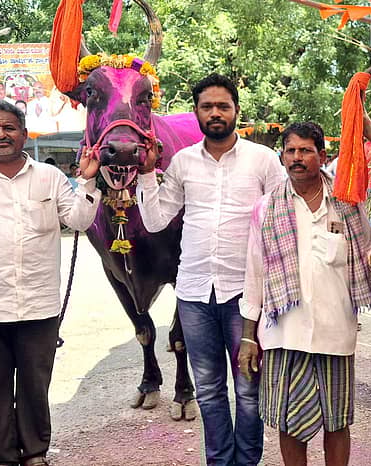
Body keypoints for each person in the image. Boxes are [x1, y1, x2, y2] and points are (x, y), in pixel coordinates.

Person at [0, 100, 100, 466]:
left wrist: (88, 180)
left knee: (34, 386)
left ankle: (35, 453)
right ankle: (4, 457)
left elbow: (78, 221)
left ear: (24, 134)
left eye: (9, 127)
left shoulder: (51, 177)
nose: (1, 134)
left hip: (39, 305)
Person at [136, 72, 284, 466]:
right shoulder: (182, 162)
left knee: (249, 389)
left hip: (247, 294)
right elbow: (154, 221)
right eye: (207, 107)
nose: (215, 113)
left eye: (223, 106)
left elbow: (286, 220)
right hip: (195, 292)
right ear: (197, 113)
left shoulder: (263, 160)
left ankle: (247, 461)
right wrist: (148, 173)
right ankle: (220, 462)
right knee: (208, 390)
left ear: (237, 110)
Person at [237, 122, 371, 466]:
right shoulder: (266, 207)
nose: (296, 158)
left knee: (337, 421)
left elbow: (368, 259)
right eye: (290, 151)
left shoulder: (347, 204)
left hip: (336, 332)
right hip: (283, 333)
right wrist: (248, 337)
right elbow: (254, 273)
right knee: (289, 422)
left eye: (305, 151)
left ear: (322, 155)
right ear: (282, 157)